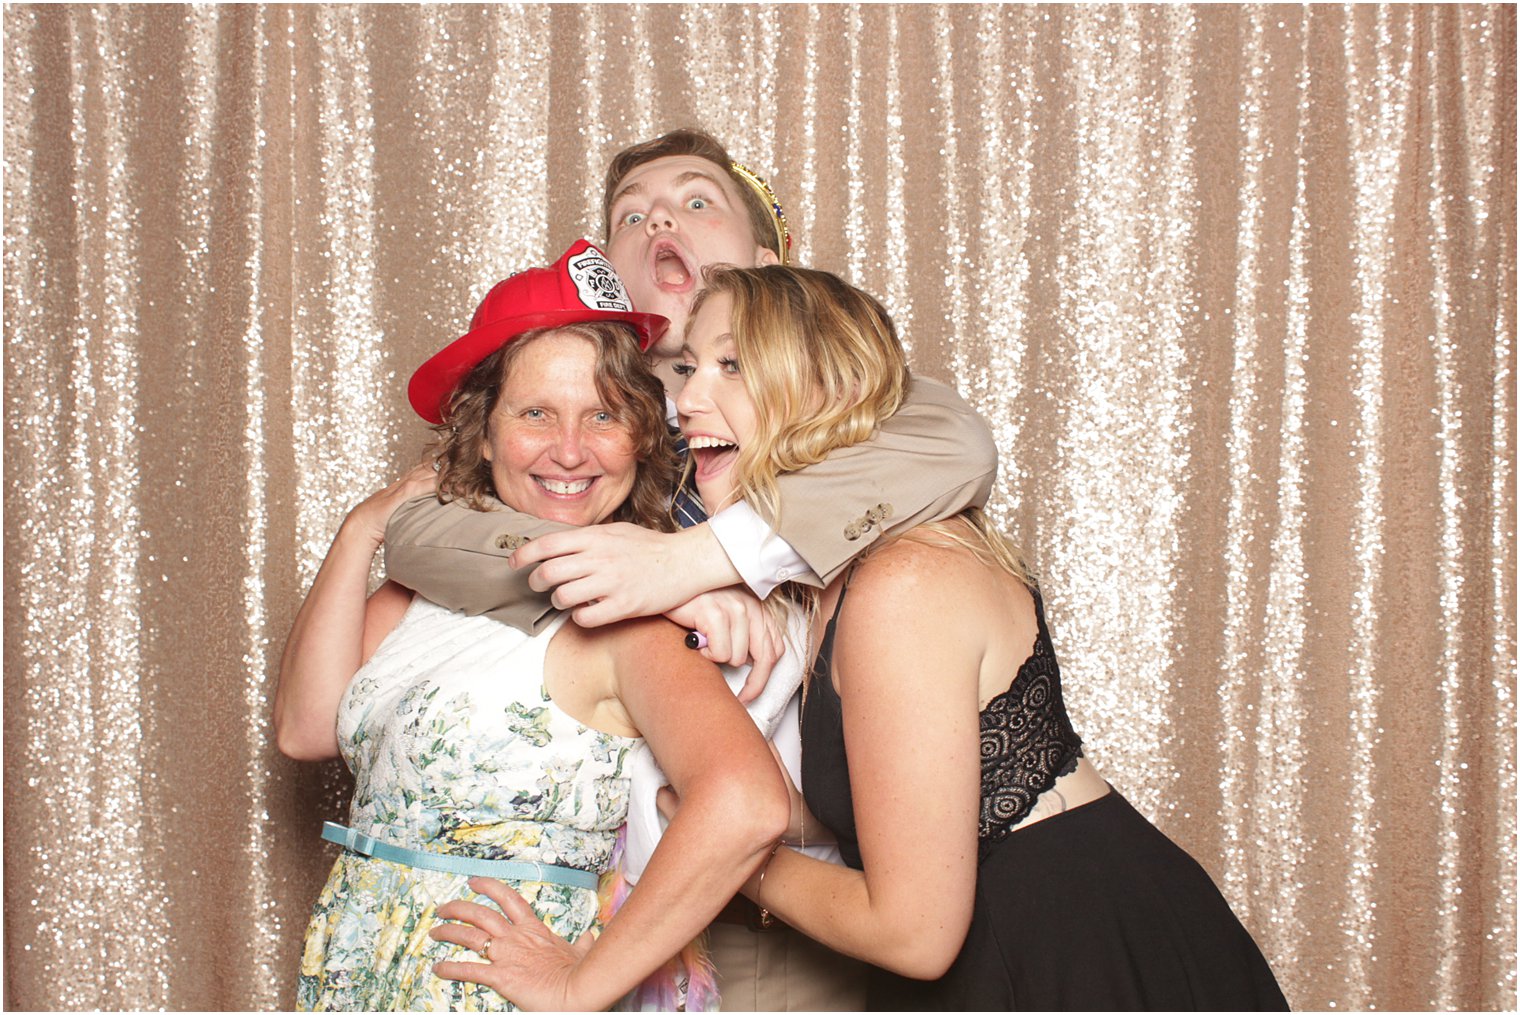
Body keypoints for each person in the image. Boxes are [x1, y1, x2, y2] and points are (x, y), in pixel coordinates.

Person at [447, 264, 1290, 1010]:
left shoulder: (901, 580)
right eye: (691, 366)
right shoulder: (823, 575)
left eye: (732, 363)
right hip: (998, 956)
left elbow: (914, 930)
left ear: (827, 393)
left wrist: (735, 857)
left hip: (1078, 957)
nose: (690, 397)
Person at [385, 129, 987, 1011]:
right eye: (631, 217)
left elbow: (958, 442)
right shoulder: (584, 429)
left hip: (784, 910)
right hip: (600, 897)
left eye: (698, 200)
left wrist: (699, 559)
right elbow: (419, 528)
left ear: (768, 260)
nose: (660, 216)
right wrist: (658, 594)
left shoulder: (851, 399)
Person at [275, 240, 788, 1011]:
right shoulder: (419, 594)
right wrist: (360, 530)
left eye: (604, 415)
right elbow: (307, 728)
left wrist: (582, 981)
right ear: (483, 433)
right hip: (361, 971)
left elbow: (747, 804)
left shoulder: (630, 625)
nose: (571, 450)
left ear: (643, 435)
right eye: (537, 413)